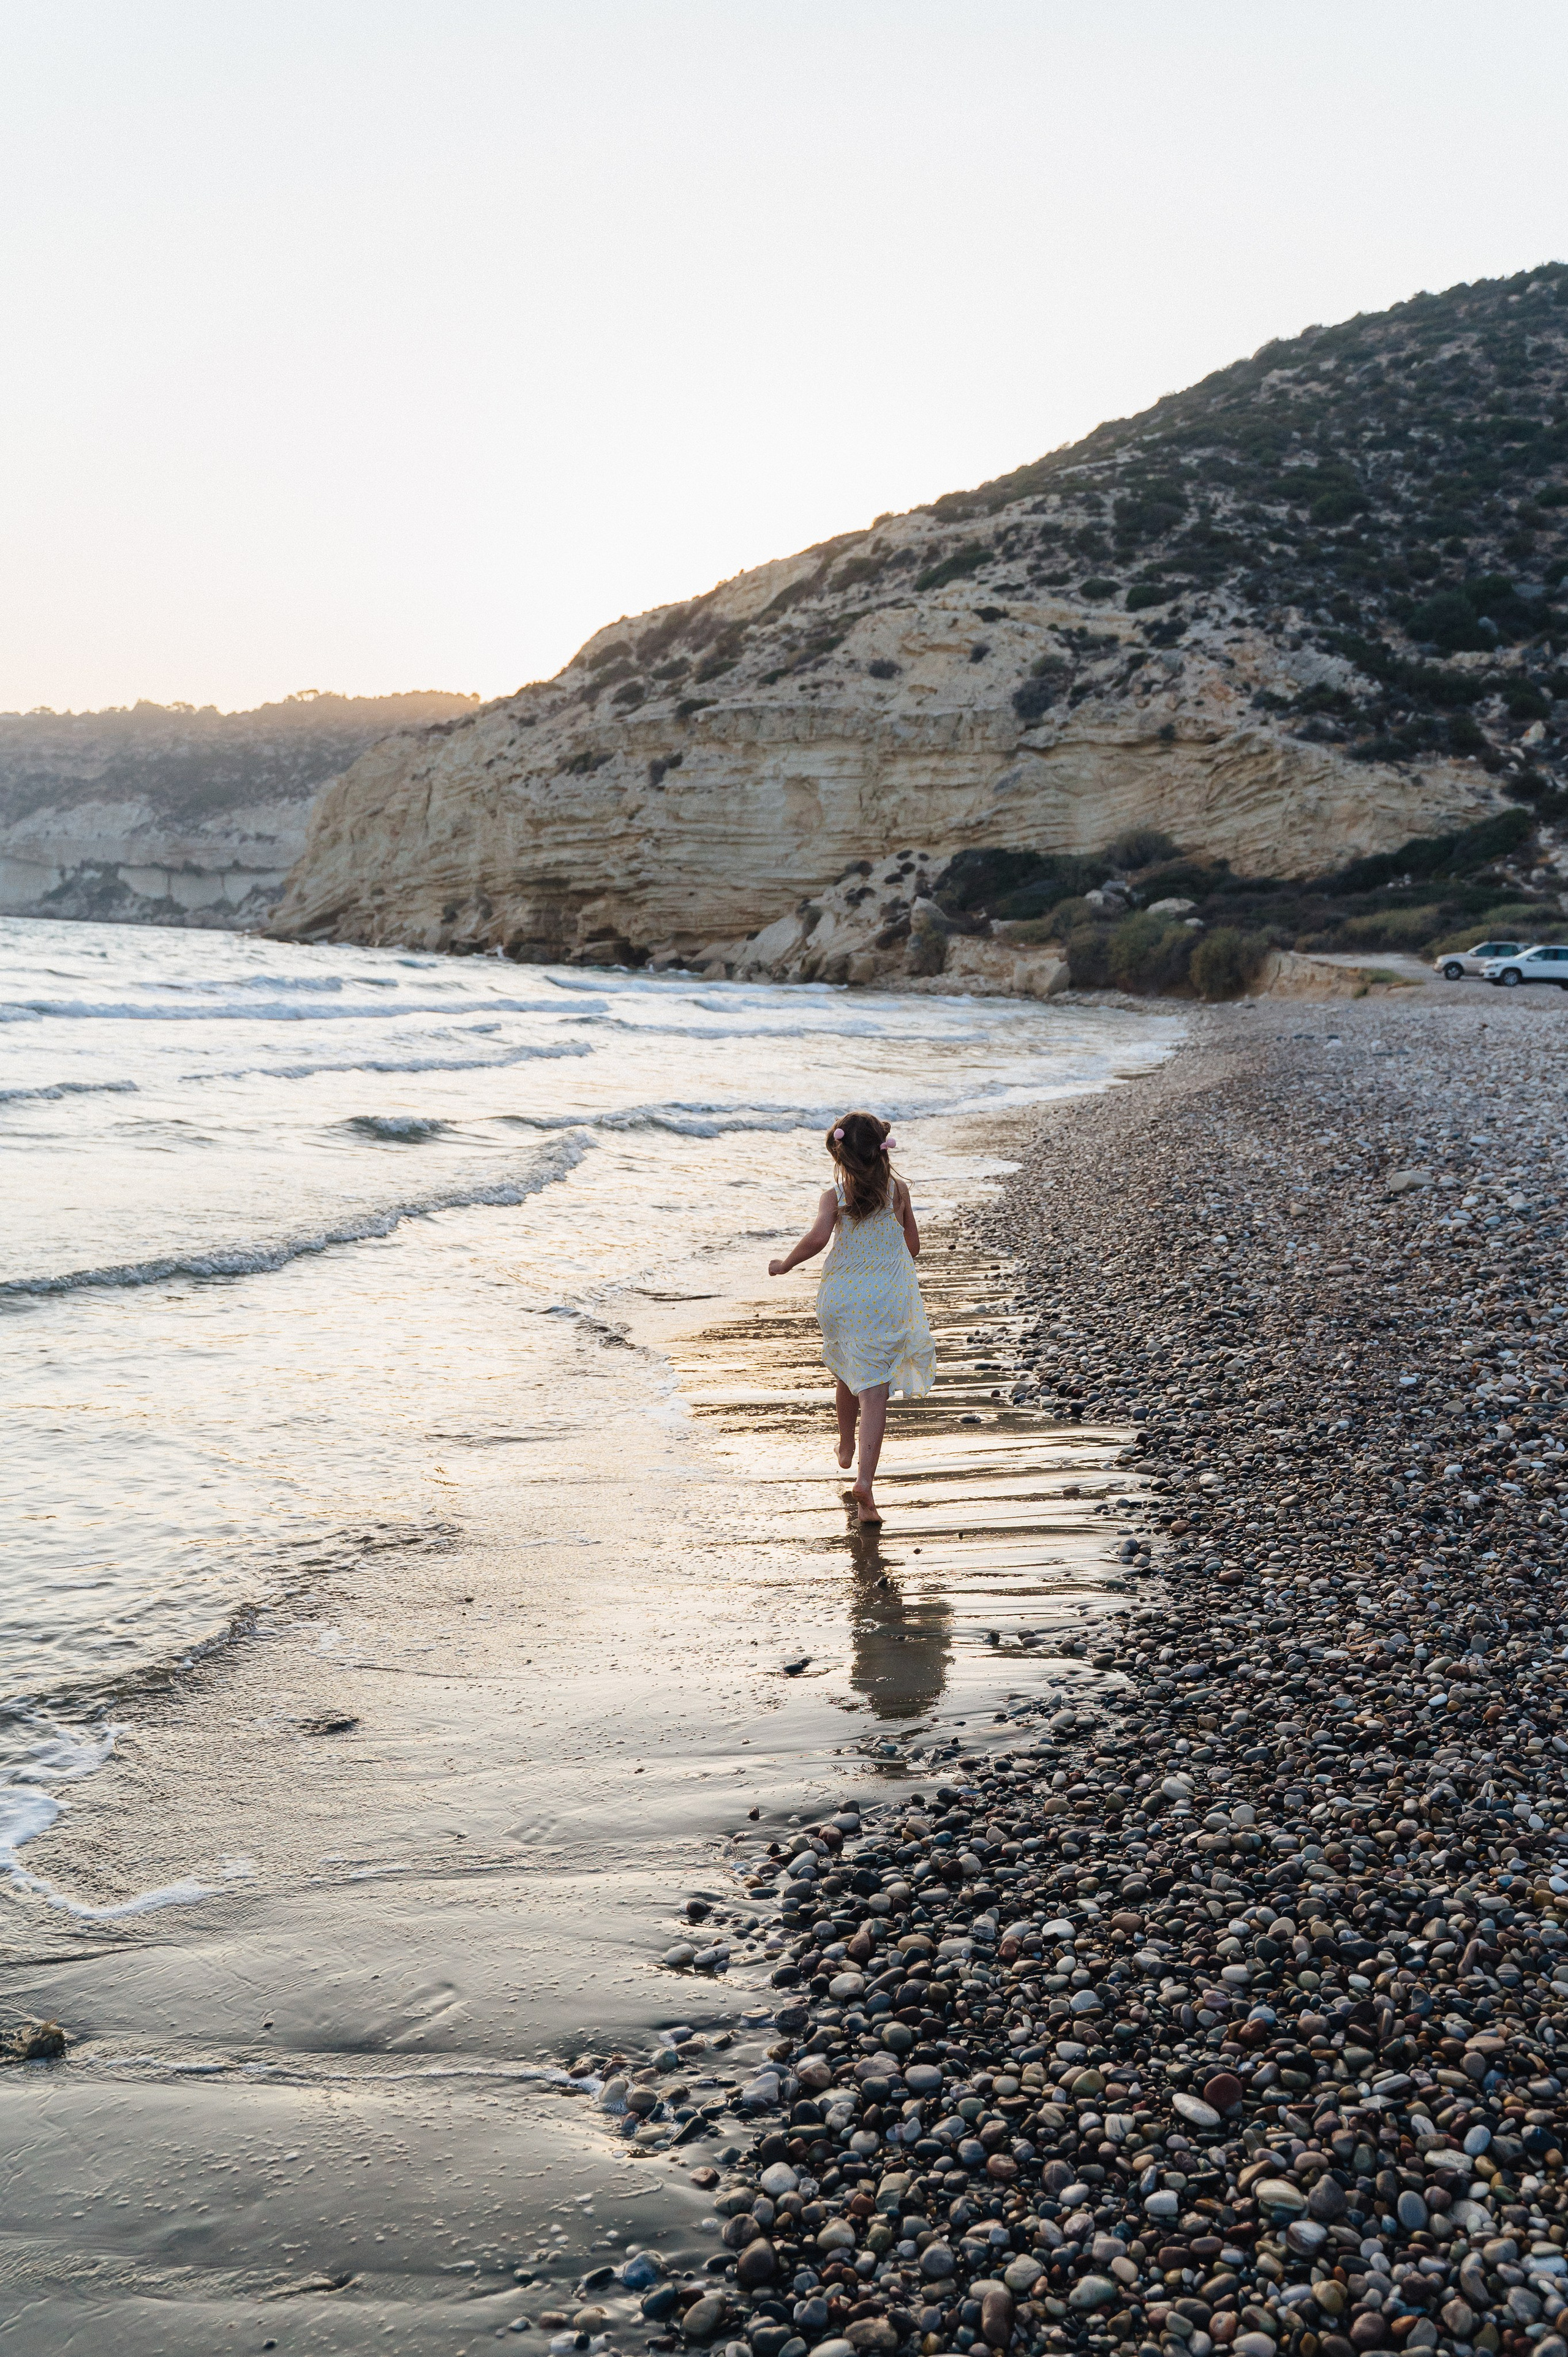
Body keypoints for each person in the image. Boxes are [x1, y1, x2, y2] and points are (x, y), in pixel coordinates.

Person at [767, 1110, 934, 1526]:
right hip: (884, 1300)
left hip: (841, 1299)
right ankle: (865, 1482)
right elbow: (912, 1247)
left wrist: (785, 1264)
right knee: (874, 1394)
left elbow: (819, 1239)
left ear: (840, 1155)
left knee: (846, 1372)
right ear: (882, 1151)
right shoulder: (898, 1192)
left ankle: (846, 1447)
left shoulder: (835, 1196)